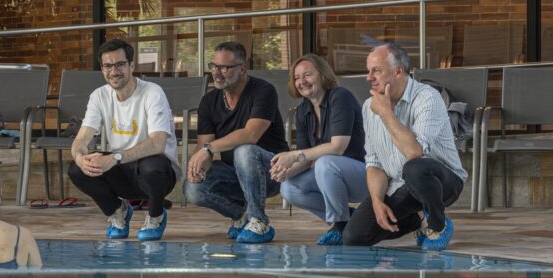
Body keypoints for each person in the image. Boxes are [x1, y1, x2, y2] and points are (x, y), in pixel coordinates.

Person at [343, 42, 467, 250]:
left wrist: (386, 114)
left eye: (376, 71)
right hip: (400, 184)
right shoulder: (368, 106)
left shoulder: (427, 97)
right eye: (368, 71)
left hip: (441, 181)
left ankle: (439, 224)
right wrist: (377, 201)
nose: (369, 77)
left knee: (415, 168)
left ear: (398, 71)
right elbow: (374, 163)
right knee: (354, 237)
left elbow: (414, 152)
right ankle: (414, 219)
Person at [67, 39, 178, 241]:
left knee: (152, 165)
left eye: (120, 64)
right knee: (76, 169)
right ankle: (118, 212)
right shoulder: (99, 96)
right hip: (122, 172)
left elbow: (158, 143)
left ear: (131, 66)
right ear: (102, 69)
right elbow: (82, 138)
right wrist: (79, 157)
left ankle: (156, 216)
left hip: (157, 175)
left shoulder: (152, 92)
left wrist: (114, 158)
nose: (114, 71)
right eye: (108, 66)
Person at [184, 41, 289, 244]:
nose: (216, 72)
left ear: (242, 68)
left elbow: (251, 134)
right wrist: (198, 167)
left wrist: (208, 149)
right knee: (192, 189)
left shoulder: (263, 91)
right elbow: (204, 145)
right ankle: (242, 216)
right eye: (213, 66)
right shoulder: (209, 101)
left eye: (224, 67)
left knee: (245, 150)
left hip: (272, 173)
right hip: (234, 174)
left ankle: (259, 221)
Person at [271, 53, 369, 245]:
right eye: (297, 78)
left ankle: (340, 226)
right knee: (289, 188)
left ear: (323, 75)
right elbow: (305, 158)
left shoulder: (340, 97)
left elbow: (338, 147)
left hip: (364, 175)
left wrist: (293, 155)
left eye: (307, 75)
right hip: (332, 178)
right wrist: (285, 170)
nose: (302, 82)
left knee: (325, 162)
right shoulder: (303, 111)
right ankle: (350, 218)